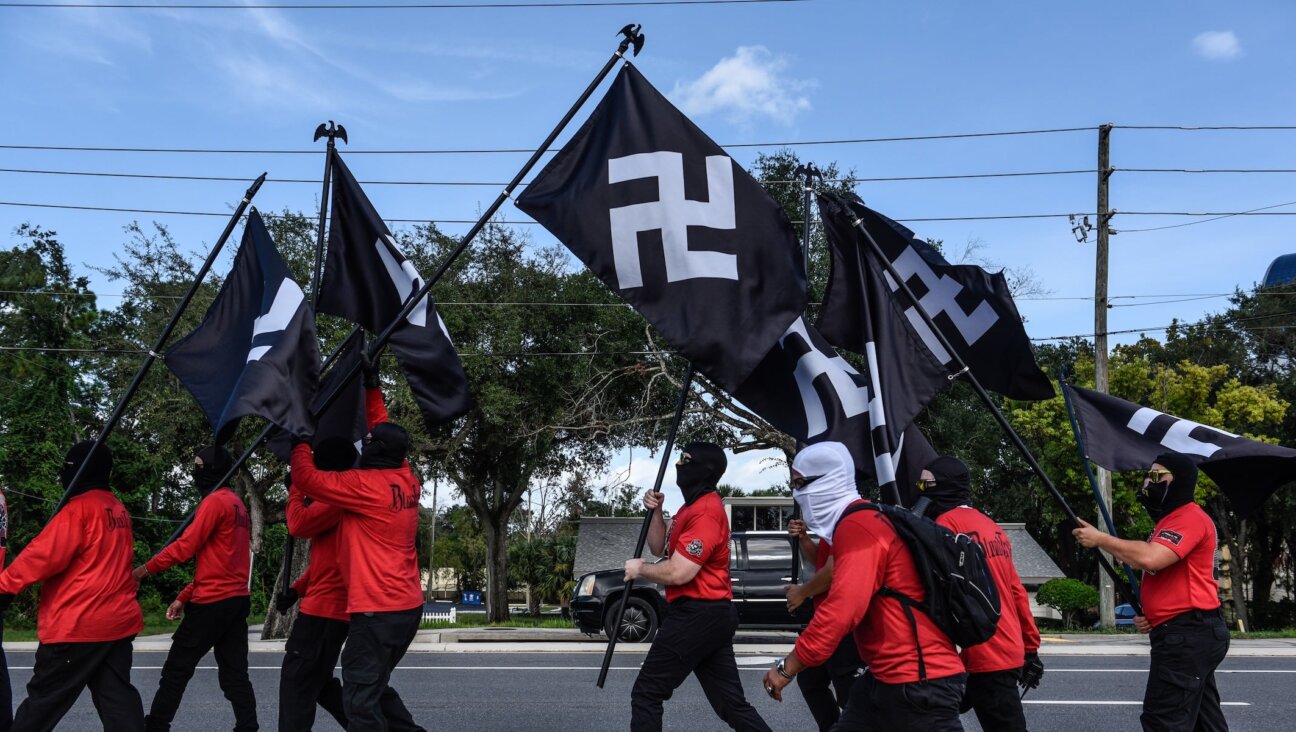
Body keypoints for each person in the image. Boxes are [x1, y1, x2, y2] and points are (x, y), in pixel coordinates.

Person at [762, 441, 966, 732]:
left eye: (799, 483)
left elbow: (842, 609)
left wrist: (788, 667)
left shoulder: (859, 526)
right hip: (886, 677)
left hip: (918, 681)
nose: (796, 494)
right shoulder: (857, 521)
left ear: (827, 481)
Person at [291, 371, 426, 732]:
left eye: (368, 444)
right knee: (374, 687)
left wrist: (301, 440)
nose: (363, 445)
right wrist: (371, 385)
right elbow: (383, 427)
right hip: (406, 609)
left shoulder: (364, 486)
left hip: (376, 612)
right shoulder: (406, 477)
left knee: (359, 702)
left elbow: (307, 479)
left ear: (377, 453)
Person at [1073, 452, 1229, 732]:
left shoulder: (1188, 517)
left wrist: (1101, 539)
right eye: (1148, 475)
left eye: (1157, 476)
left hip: (1188, 634)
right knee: (1205, 723)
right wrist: (1156, 616)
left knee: (1163, 722)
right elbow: (1164, 573)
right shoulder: (1169, 522)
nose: (1148, 482)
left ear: (1178, 481)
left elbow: (1151, 558)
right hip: (1187, 631)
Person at [623, 442, 771, 732]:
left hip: (698, 614)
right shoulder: (689, 509)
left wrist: (640, 569)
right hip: (709, 615)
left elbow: (680, 572)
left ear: (704, 470)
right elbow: (658, 548)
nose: (679, 465)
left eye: (685, 460)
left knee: (647, 693)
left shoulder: (705, 512)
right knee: (731, 705)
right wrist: (657, 512)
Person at [0, 441, 145, 731]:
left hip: (77, 625)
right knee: (118, 704)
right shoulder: (117, 510)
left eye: (66, 467)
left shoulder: (78, 511)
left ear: (80, 469)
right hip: (116, 625)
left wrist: (4, 588)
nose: (62, 473)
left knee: (41, 705)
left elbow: (39, 557)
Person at [134, 446, 258, 732]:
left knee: (177, 669)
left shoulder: (214, 503)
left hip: (213, 604)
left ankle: (156, 725)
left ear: (215, 469)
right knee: (235, 675)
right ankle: (248, 727)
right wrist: (183, 596)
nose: (195, 472)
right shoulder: (238, 506)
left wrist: (143, 570)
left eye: (200, 466)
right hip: (236, 601)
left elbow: (185, 546)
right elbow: (223, 564)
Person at [919, 456, 1043, 732]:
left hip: (978, 650)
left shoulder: (944, 526)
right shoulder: (992, 527)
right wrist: (1030, 646)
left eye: (924, 483)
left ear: (943, 486)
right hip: (1004, 646)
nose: (920, 490)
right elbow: (1016, 591)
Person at [276, 437, 355, 732]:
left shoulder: (338, 497)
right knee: (319, 684)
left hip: (324, 613)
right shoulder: (341, 496)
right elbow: (326, 561)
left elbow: (297, 524)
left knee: (296, 682)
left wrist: (296, 489)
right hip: (328, 609)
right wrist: (297, 589)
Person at [783, 517, 859, 731]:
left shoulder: (848, 519)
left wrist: (802, 592)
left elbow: (835, 570)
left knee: (853, 700)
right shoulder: (833, 524)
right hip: (826, 620)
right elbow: (822, 562)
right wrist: (804, 539)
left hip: (846, 623)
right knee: (811, 682)